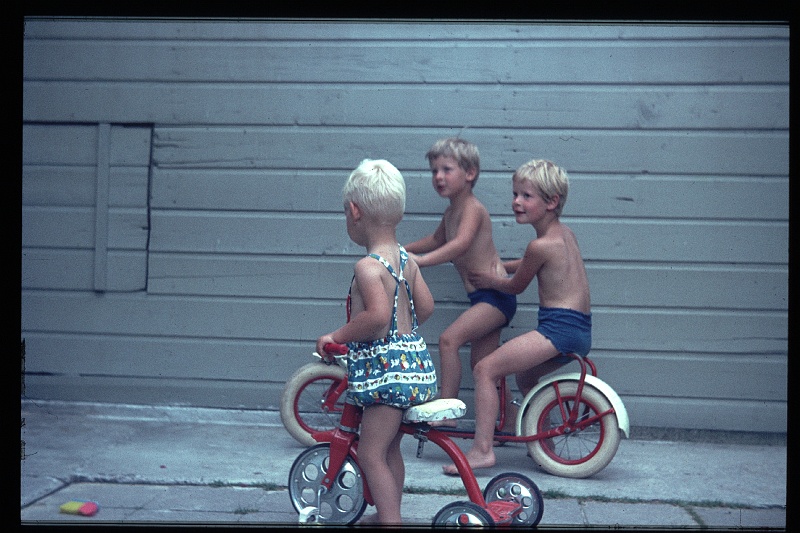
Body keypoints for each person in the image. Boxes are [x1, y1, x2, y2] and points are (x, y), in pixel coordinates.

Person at [441, 159, 591, 474]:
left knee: (485, 369)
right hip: (579, 330)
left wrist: (489, 279)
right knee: (524, 377)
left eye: (526, 196)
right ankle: (545, 443)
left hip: (558, 328)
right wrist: (502, 265)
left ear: (552, 202)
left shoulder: (539, 245)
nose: (516, 202)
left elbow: (515, 286)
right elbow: (529, 264)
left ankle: (482, 451)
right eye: (515, 194)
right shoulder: (565, 235)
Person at [316, 159, 437, 525]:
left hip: (386, 378)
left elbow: (376, 317)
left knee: (370, 453)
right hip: (413, 370)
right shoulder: (407, 261)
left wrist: (337, 336)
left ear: (355, 211)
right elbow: (426, 308)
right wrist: (403, 335)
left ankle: (390, 521)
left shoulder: (368, 267)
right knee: (389, 449)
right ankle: (388, 512)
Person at [405, 138, 517, 430]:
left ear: (470, 173)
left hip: (495, 296)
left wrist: (420, 262)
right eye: (434, 171)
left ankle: (447, 411)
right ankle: (511, 421)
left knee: (448, 340)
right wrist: (400, 250)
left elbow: (460, 244)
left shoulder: (472, 208)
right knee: (484, 366)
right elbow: (436, 240)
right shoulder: (451, 211)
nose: (438, 177)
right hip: (482, 298)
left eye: (446, 169)